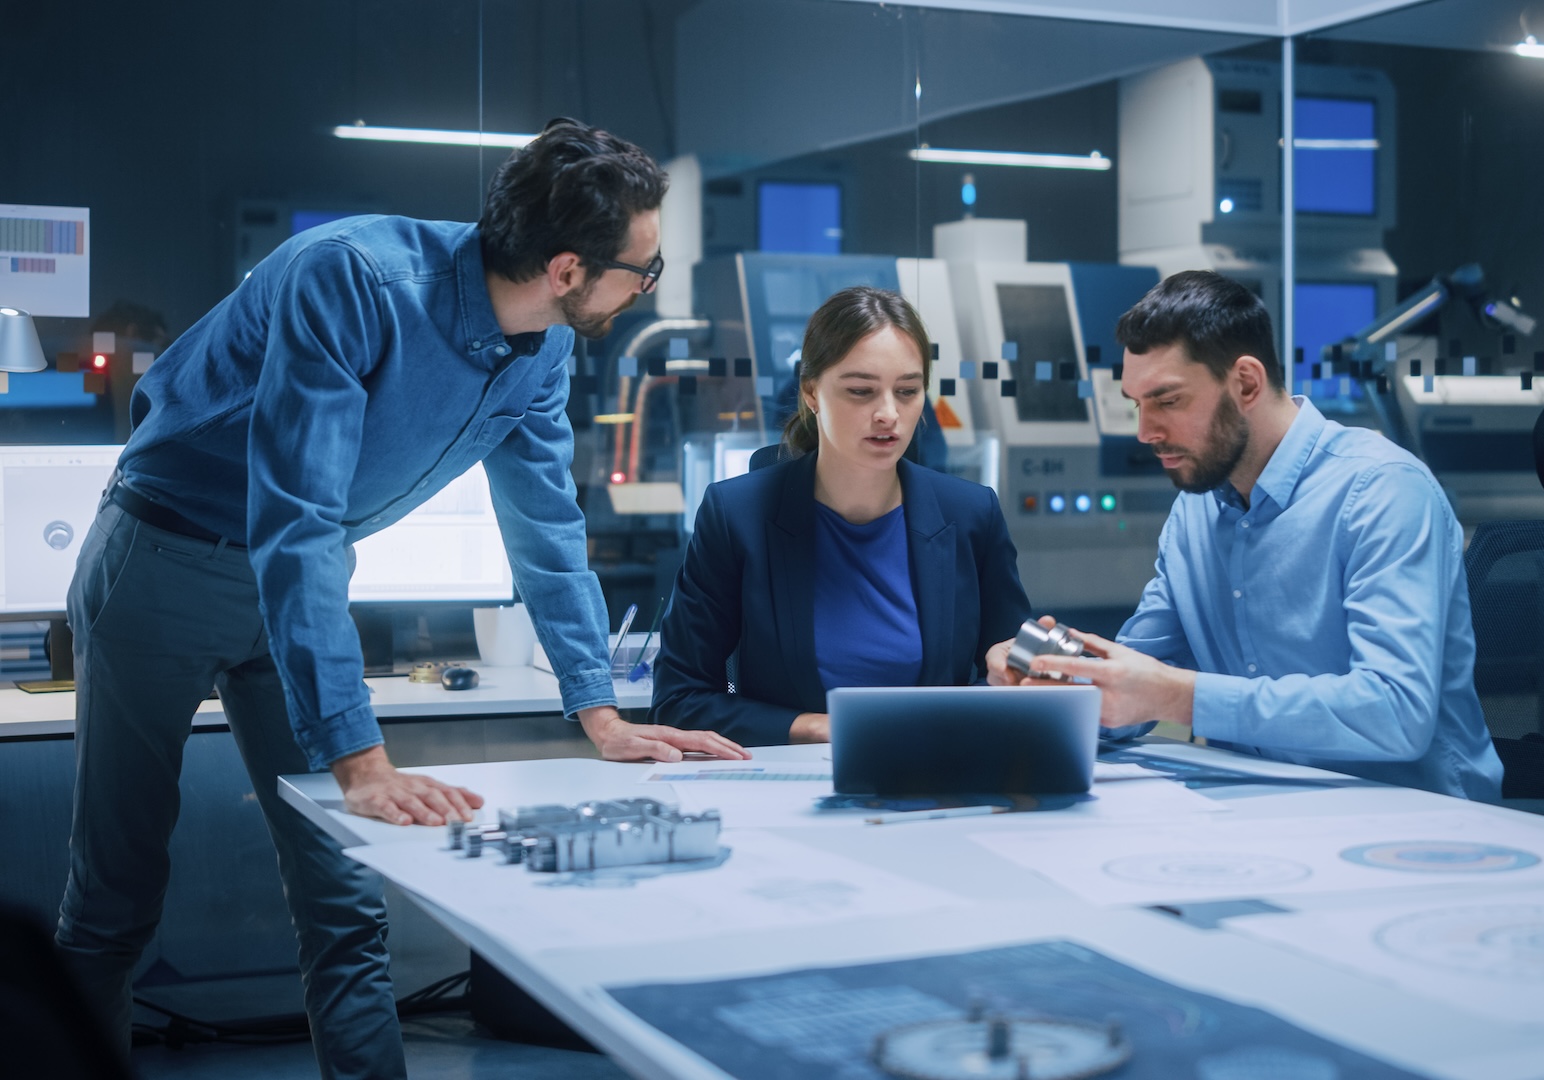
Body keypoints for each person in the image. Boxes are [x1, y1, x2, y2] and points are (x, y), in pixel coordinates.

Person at [56, 119, 746, 1078]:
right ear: (564, 267)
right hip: (164, 563)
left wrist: (599, 712)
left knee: (345, 888)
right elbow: (294, 516)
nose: (648, 286)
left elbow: (546, 530)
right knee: (117, 893)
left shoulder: (542, 349)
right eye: (646, 268)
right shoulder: (351, 279)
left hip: (296, 589)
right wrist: (363, 760)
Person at [988, 271, 1503, 802]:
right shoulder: (1195, 511)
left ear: (1247, 384)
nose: (1145, 432)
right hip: (1263, 811)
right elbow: (1137, 685)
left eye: (1167, 401)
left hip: (1413, 823)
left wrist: (1179, 698)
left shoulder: (1383, 492)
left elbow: (1395, 711)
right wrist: (1048, 680)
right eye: (1135, 404)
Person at [651, 286, 1030, 745]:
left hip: (933, 781)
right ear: (811, 392)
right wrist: (819, 727)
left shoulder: (971, 514)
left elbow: (1017, 683)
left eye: (907, 391)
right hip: (793, 786)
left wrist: (1026, 665)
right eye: (860, 391)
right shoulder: (737, 516)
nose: (888, 413)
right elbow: (679, 699)